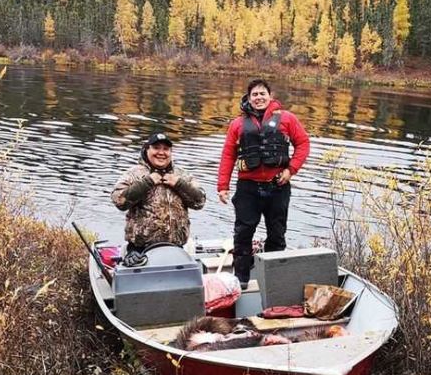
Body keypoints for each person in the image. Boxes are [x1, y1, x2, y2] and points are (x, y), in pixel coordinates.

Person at [216, 79, 310, 287]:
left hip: (278, 186)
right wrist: (223, 186)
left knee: (277, 233)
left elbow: (303, 143)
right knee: (243, 233)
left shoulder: (287, 119)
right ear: (249, 98)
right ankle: (241, 279)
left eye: (262, 94)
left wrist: (291, 169)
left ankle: (274, 278)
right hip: (247, 188)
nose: (258, 98)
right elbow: (228, 155)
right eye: (254, 95)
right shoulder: (237, 124)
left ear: (270, 95)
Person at [111, 132, 206, 254]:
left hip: (176, 249)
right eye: (156, 148)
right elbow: (119, 201)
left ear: (171, 152)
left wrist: (179, 184)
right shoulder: (134, 174)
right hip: (141, 250)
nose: (161, 153)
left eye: (166, 149)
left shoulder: (181, 175)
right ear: (147, 150)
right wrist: (147, 182)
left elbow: (200, 202)